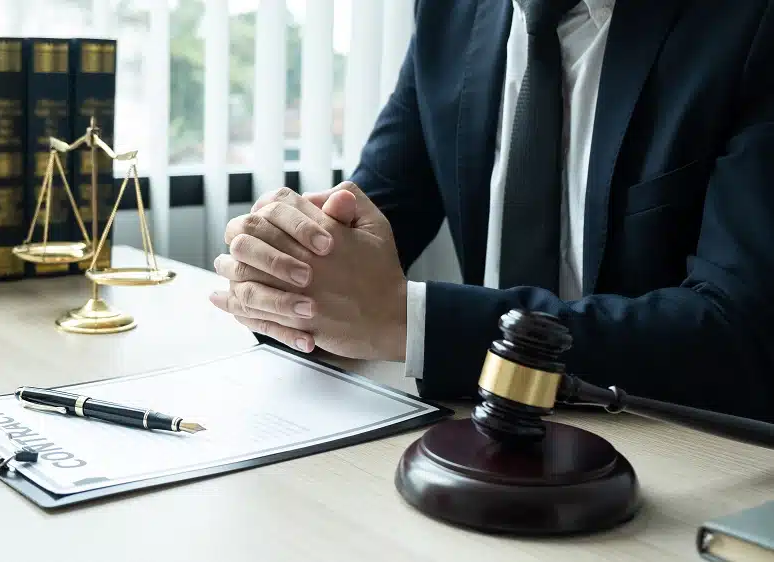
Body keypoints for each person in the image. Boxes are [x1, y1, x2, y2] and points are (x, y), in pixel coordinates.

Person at [208, 0, 774, 423]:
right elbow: (360, 224)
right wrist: (288, 269)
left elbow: (738, 334)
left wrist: (408, 322)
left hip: (672, 443)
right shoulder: (451, 15)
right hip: (477, 435)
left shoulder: (749, 24)